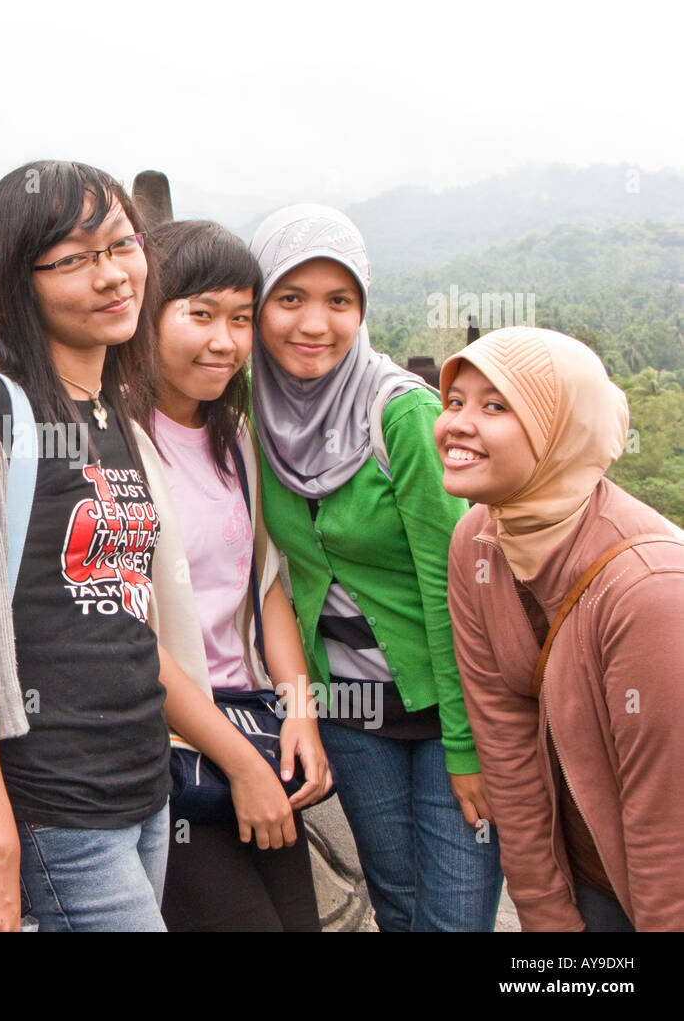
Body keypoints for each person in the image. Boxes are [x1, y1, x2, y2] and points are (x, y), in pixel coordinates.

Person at [0, 161, 304, 932]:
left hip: (144, 790)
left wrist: (235, 754)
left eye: (121, 245)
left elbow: (129, 625)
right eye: (75, 259)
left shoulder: (111, 416)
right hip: (56, 804)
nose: (113, 275)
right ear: (19, 281)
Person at [248, 203, 502, 931]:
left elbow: (458, 593)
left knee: (452, 919)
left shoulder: (403, 416)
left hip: (448, 711)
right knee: (395, 903)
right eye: (289, 298)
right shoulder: (251, 410)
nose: (314, 324)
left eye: (340, 301)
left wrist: (469, 744)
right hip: (353, 717)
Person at [436, 326, 684, 931]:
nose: (458, 423)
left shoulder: (649, 588)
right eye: (455, 401)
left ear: (560, 433)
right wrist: (547, 919)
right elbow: (504, 741)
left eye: (496, 406)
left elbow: (667, 825)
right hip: (587, 880)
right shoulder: (478, 541)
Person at [144, 220, 328, 932]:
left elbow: (267, 585)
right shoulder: (116, 447)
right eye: (200, 314)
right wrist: (242, 767)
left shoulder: (236, 439)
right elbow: (126, 629)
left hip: (252, 723)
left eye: (242, 318)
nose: (225, 340)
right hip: (173, 750)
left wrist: (301, 714)